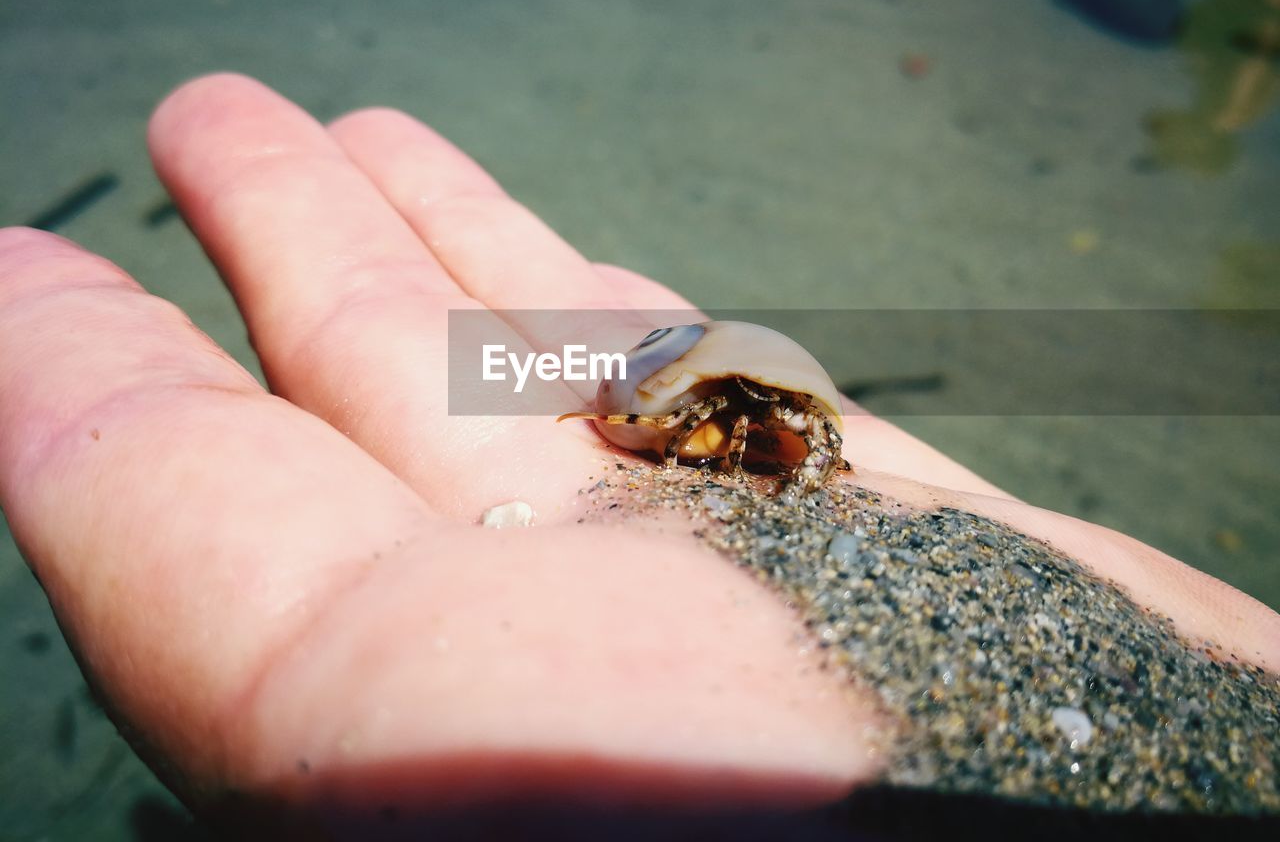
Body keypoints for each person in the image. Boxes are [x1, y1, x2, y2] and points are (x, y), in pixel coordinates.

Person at [0, 74, 1275, 837]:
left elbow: (781, 423)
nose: (739, 438)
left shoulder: (764, 420)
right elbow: (676, 412)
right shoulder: (694, 409)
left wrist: (791, 443)